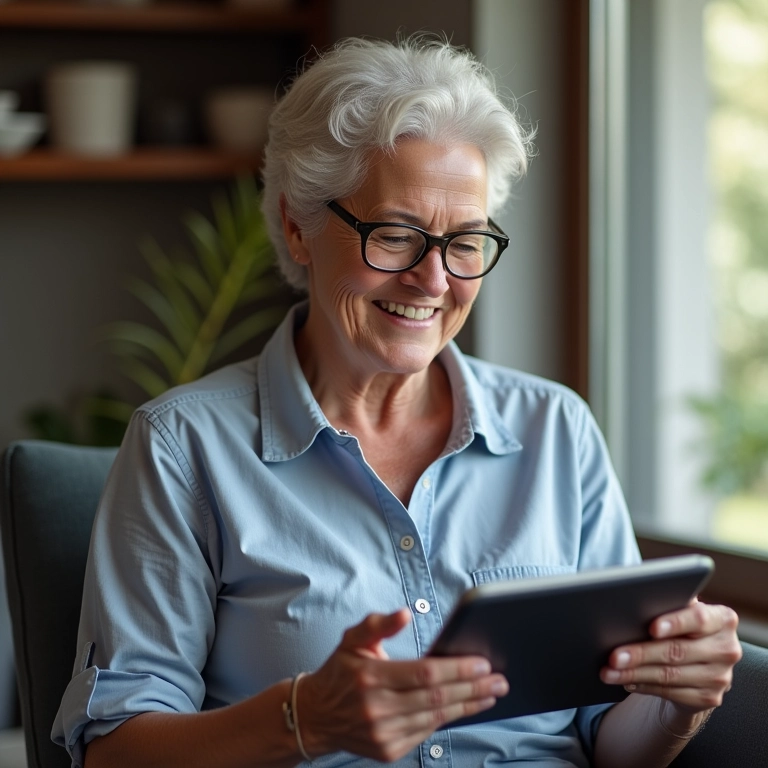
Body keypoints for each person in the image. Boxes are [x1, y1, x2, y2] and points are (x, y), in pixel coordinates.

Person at [53, 36, 741, 768]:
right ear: (298, 225)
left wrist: (676, 699)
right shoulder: (182, 446)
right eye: (395, 235)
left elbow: (610, 744)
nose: (433, 280)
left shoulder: (556, 430)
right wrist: (304, 720)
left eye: (465, 242)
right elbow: (114, 752)